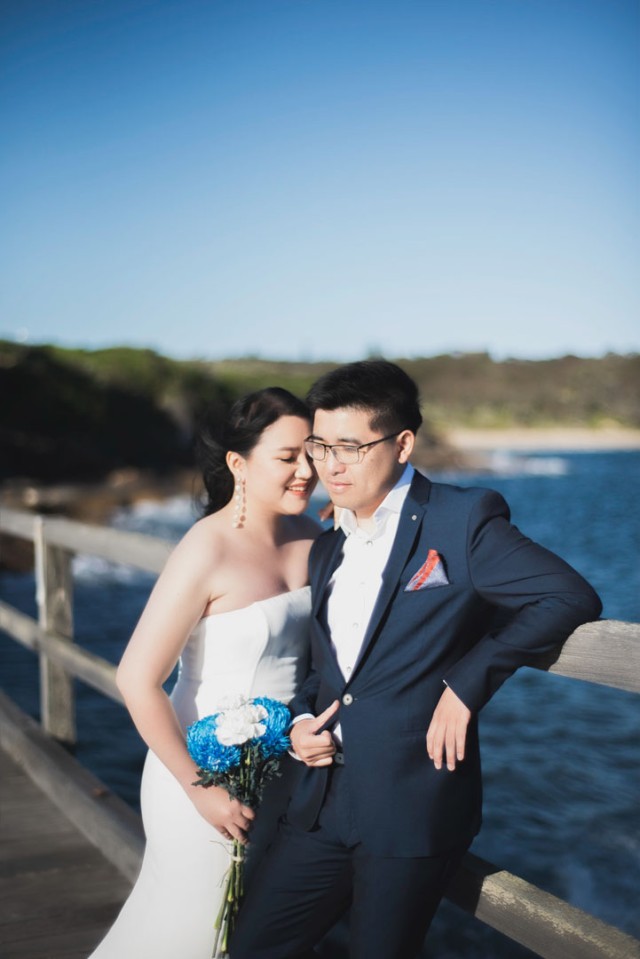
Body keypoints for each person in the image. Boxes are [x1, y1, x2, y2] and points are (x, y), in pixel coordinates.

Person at [230, 360, 603, 959]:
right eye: (320, 446)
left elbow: (566, 595)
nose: (330, 465)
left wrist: (467, 683)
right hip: (320, 804)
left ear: (402, 444)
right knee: (252, 947)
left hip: (410, 806)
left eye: (350, 447)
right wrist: (299, 722)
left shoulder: (463, 520)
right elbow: (326, 671)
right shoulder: (328, 546)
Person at [88, 387, 320, 959]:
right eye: (288, 457)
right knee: (192, 934)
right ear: (239, 463)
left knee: (248, 939)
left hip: (286, 777)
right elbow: (136, 679)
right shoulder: (205, 547)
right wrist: (202, 790)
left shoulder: (317, 538)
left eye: (313, 453)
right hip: (202, 777)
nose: (307, 470)